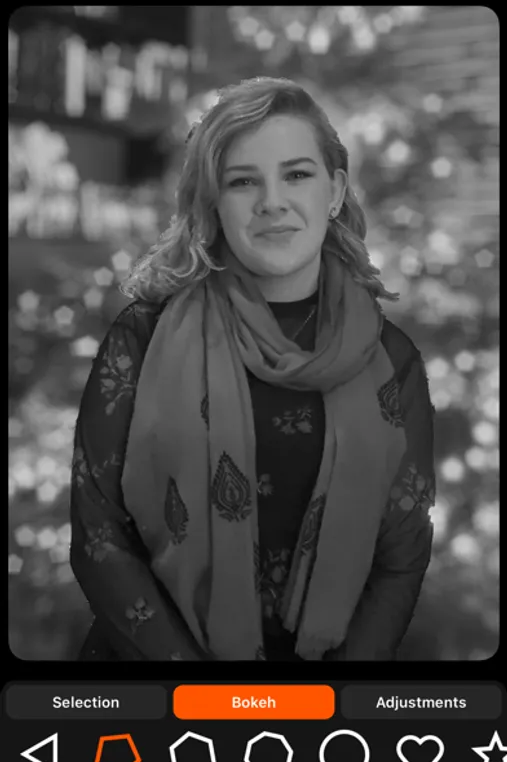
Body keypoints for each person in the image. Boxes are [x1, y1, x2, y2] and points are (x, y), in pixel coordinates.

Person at [70, 76, 435, 662]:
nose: (272, 202)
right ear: (214, 202)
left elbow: (401, 557)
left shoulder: (392, 359)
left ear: (335, 191)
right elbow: (98, 534)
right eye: (243, 181)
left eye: (297, 175)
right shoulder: (142, 336)